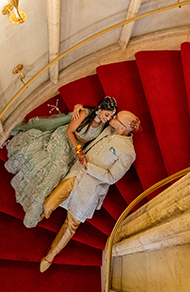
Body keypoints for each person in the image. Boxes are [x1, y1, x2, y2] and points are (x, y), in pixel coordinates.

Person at [38, 110, 140, 272]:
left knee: (71, 225)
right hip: (76, 174)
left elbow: (111, 177)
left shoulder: (128, 153)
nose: (112, 119)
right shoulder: (108, 130)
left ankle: (51, 255)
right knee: (50, 202)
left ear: (122, 127)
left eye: (115, 118)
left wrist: (88, 167)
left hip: (90, 190)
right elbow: (99, 111)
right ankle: (46, 212)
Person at [5, 97, 118, 228]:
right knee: (57, 167)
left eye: (111, 116)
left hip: (76, 149)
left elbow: (118, 126)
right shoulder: (84, 114)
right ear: (99, 108)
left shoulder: (104, 125)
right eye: (107, 115)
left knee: (62, 170)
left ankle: (44, 202)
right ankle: (38, 200)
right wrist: (78, 151)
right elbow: (69, 131)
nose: (108, 118)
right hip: (66, 140)